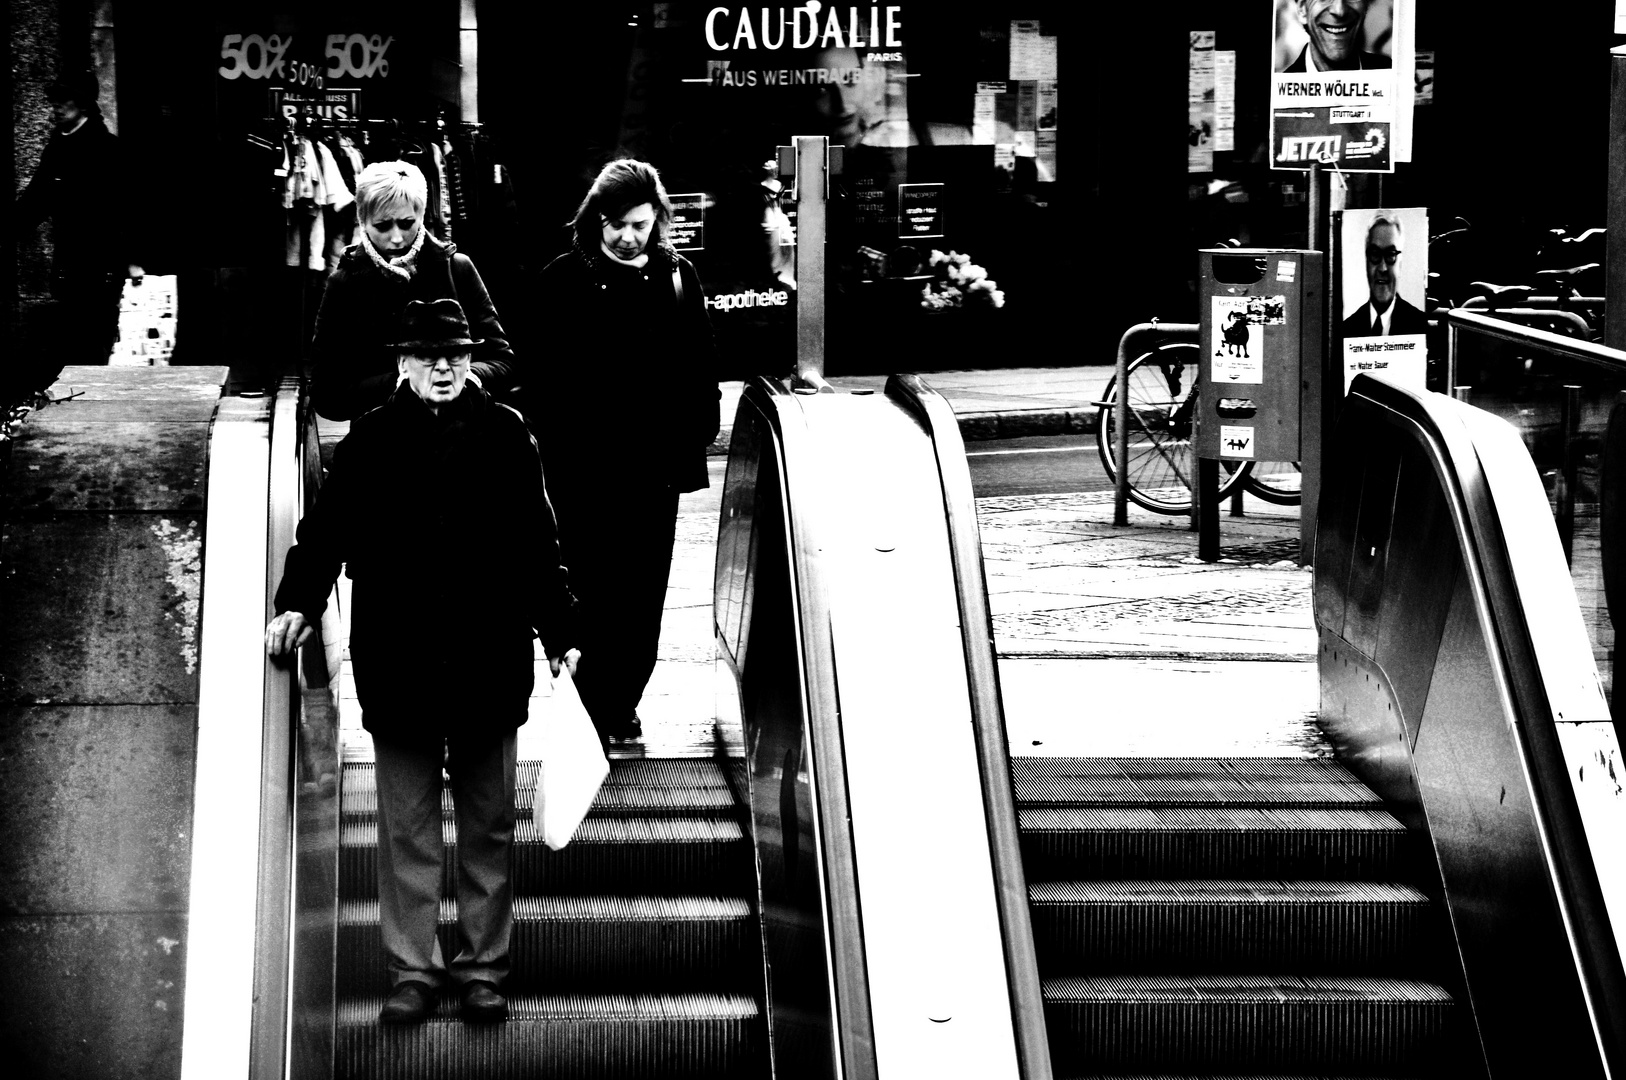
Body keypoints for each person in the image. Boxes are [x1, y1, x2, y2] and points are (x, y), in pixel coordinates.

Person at [266, 297, 579, 1025]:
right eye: (429, 356)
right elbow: (326, 532)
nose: (445, 368)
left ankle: (481, 968)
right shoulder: (372, 441)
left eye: (458, 355)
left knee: (487, 822)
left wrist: (561, 628)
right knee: (404, 825)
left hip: (489, 655)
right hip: (400, 657)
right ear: (403, 363)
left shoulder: (506, 434)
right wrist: (297, 601)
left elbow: (539, 544)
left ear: (472, 360)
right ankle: (413, 970)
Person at [526, 159, 720, 748]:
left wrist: (696, 431)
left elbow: (700, 366)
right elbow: (538, 380)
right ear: (596, 220)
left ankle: (623, 705)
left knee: (642, 599)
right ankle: (592, 707)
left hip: (653, 474)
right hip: (582, 474)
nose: (627, 236)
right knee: (589, 592)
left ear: (658, 219)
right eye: (615, 224)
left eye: (639, 224)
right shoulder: (563, 279)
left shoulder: (679, 278)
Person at [309, 160, 519, 421]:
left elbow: (504, 363)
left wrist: (460, 377)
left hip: (462, 440)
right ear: (362, 221)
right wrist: (404, 382)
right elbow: (326, 394)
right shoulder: (344, 285)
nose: (397, 238)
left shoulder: (458, 269)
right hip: (382, 444)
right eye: (383, 226)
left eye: (407, 223)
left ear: (421, 216)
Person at [15, 71, 144, 368]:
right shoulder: (57, 148)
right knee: (73, 345)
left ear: (83, 105)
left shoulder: (108, 149)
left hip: (104, 263)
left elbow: (131, 207)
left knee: (95, 343)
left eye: (64, 100)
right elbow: (34, 201)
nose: (56, 107)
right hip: (70, 262)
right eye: (54, 101)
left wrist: (134, 258)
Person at [1342, 211, 1428, 338]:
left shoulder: (1419, 324)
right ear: (1366, 260)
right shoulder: (1347, 329)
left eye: (1390, 254)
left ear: (1400, 262)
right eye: (1375, 254)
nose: (1383, 268)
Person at [1280, 0, 1391, 73]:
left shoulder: (1391, 73)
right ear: (1302, 9)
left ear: (1365, 7)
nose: (1339, 11)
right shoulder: (1277, 92)